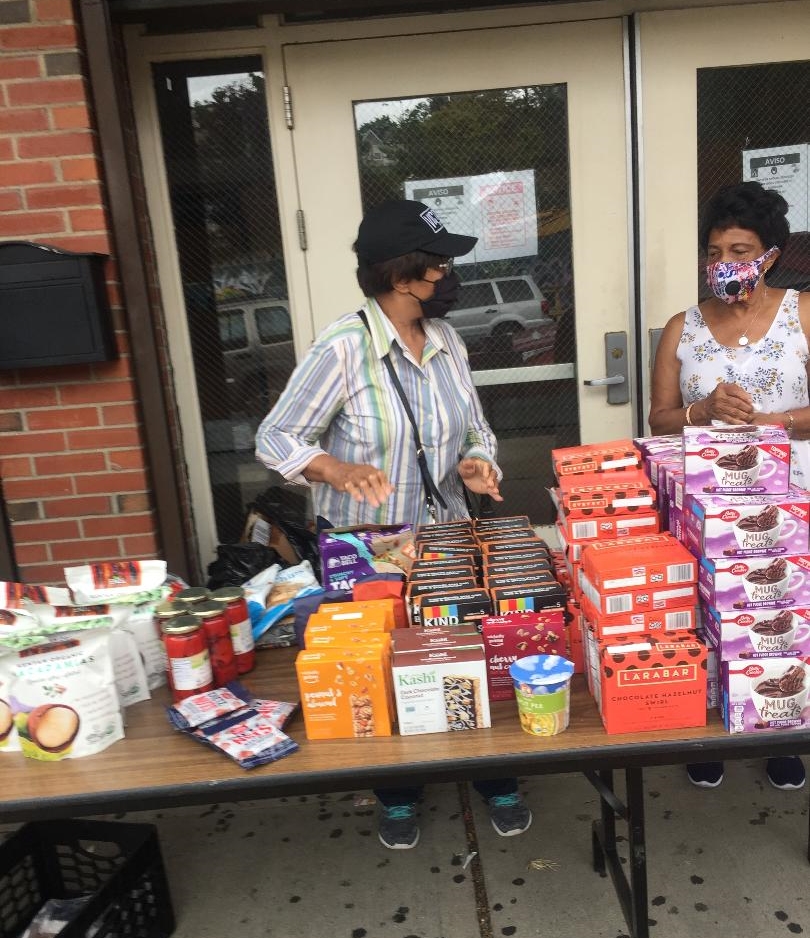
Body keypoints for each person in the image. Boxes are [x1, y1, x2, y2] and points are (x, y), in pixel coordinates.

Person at [255, 199, 532, 847]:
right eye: (441, 267)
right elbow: (277, 437)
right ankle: (398, 789)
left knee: (463, 655)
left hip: (448, 542)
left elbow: (476, 427)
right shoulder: (343, 349)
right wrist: (333, 468)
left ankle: (491, 772)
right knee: (384, 668)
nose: (450, 278)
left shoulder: (447, 341)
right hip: (370, 555)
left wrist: (477, 463)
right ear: (402, 276)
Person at [649, 180, 809, 791]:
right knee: (708, 615)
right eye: (713, 253)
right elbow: (659, 420)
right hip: (707, 506)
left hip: (789, 502)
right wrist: (704, 410)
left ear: (770, 254)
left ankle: (783, 735)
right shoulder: (681, 328)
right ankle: (709, 726)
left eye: (738, 250)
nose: (723, 264)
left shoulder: (803, 313)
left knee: (783, 618)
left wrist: (776, 423)